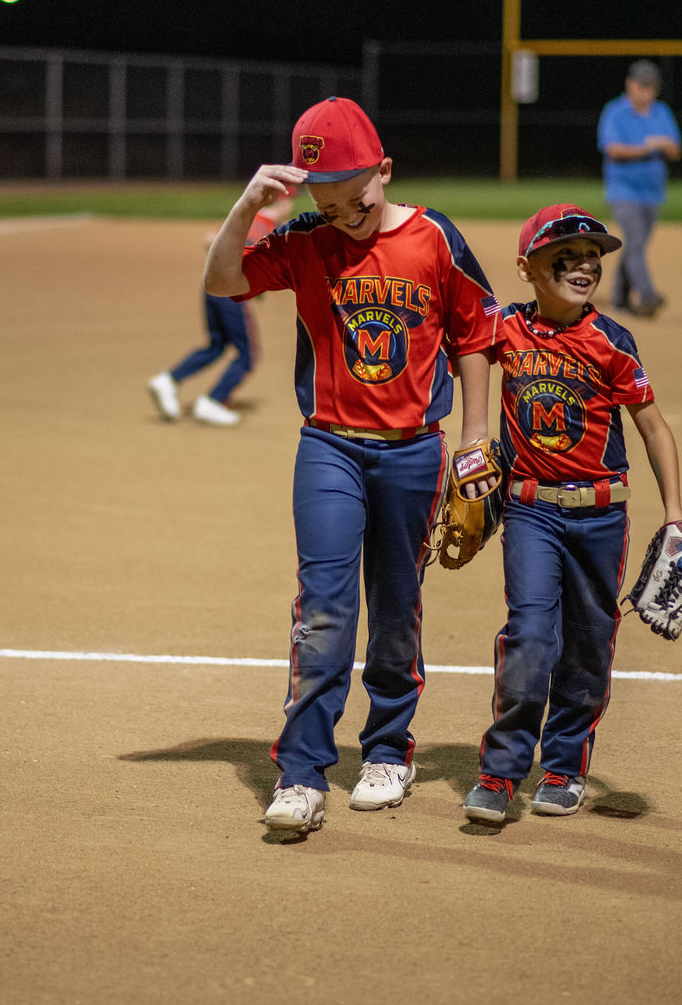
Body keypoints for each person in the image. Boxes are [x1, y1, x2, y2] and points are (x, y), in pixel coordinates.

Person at [204, 96, 501, 836]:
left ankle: (388, 751)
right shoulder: (306, 240)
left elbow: (473, 333)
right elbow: (222, 280)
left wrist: (475, 436)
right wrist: (248, 205)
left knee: (396, 605)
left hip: (414, 451)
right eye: (327, 205)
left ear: (384, 170)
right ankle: (302, 772)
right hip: (329, 447)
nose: (344, 217)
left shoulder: (435, 237)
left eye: (355, 200)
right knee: (324, 610)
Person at [462, 203, 682, 824]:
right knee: (531, 635)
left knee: (588, 644)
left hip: (600, 517)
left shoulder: (611, 340)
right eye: (564, 257)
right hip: (531, 510)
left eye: (592, 257)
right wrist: (475, 437)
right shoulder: (506, 327)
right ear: (527, 269)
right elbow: (467, 340)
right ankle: (500, 772)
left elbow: (653, 428)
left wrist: (675, 514)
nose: (583, 266)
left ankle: (563, 766)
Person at [148, 186, 298, 426]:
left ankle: (168, 380)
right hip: (231, 294)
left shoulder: (247, 216)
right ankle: (213, 401)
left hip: (210, 286)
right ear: (283, 202)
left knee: (217, 345)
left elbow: (210, 240)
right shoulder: (270, 228)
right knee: (248, 356)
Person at [597, 60, 682, 318]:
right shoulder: (616, 112)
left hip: (652, 193)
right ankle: (646, 295)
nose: (646, 92)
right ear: (629, 85)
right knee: (635, 242)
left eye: (650, 87)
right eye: (641, 86)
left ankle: (619, 298)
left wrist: (664, 145)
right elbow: (612, 149)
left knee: (636, 246)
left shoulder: (661, 112)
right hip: (623, 191)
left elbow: (676, 151)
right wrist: (647, 147)